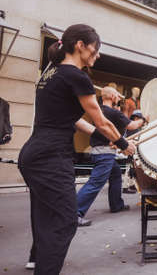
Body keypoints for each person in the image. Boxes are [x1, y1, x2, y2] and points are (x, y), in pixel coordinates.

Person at [18, 24, 136, 274]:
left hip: (34, 153)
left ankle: (36, 257)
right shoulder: (76, 76)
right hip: (51, 156)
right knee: (65, 221)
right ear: (80, 45)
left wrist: (102, 136)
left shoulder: (51, 72)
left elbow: (71, 118)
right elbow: (102, 120)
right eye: (96, 48)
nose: (98, 54)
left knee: (44, 214)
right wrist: (125, 145)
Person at [77, 87, 146, 225]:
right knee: (95, 182)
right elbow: (132, 125)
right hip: (105, 153)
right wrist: (144, 119)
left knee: (115, 175)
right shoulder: (114, 112)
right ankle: (74, 213)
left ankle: (116, 205)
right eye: (117, 96)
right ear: (113, 97)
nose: (118, 99)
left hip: (97, 151)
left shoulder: (99, 111)